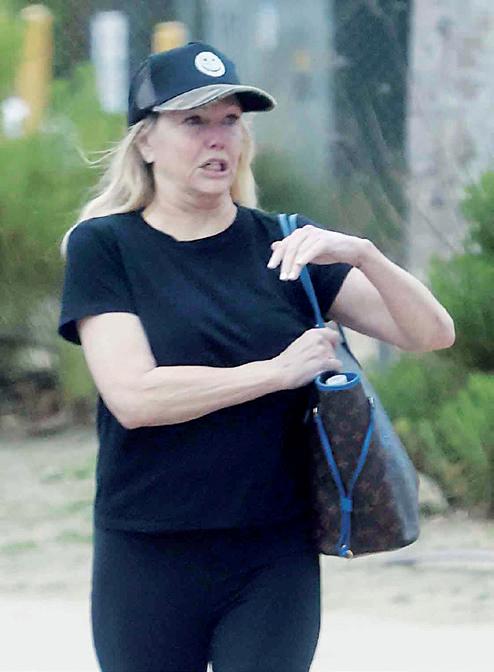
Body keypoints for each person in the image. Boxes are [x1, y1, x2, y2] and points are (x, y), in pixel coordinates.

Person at [57, 41, 455, 672]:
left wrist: (364, 254)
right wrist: (274, 373)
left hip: (273, 554)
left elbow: (432, 334)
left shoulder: (285, 246)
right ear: (147, 141)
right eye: (194, 121)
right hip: (147, 552)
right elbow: (134, 396)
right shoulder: (105, 247)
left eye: (231, 120)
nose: (217, 137)